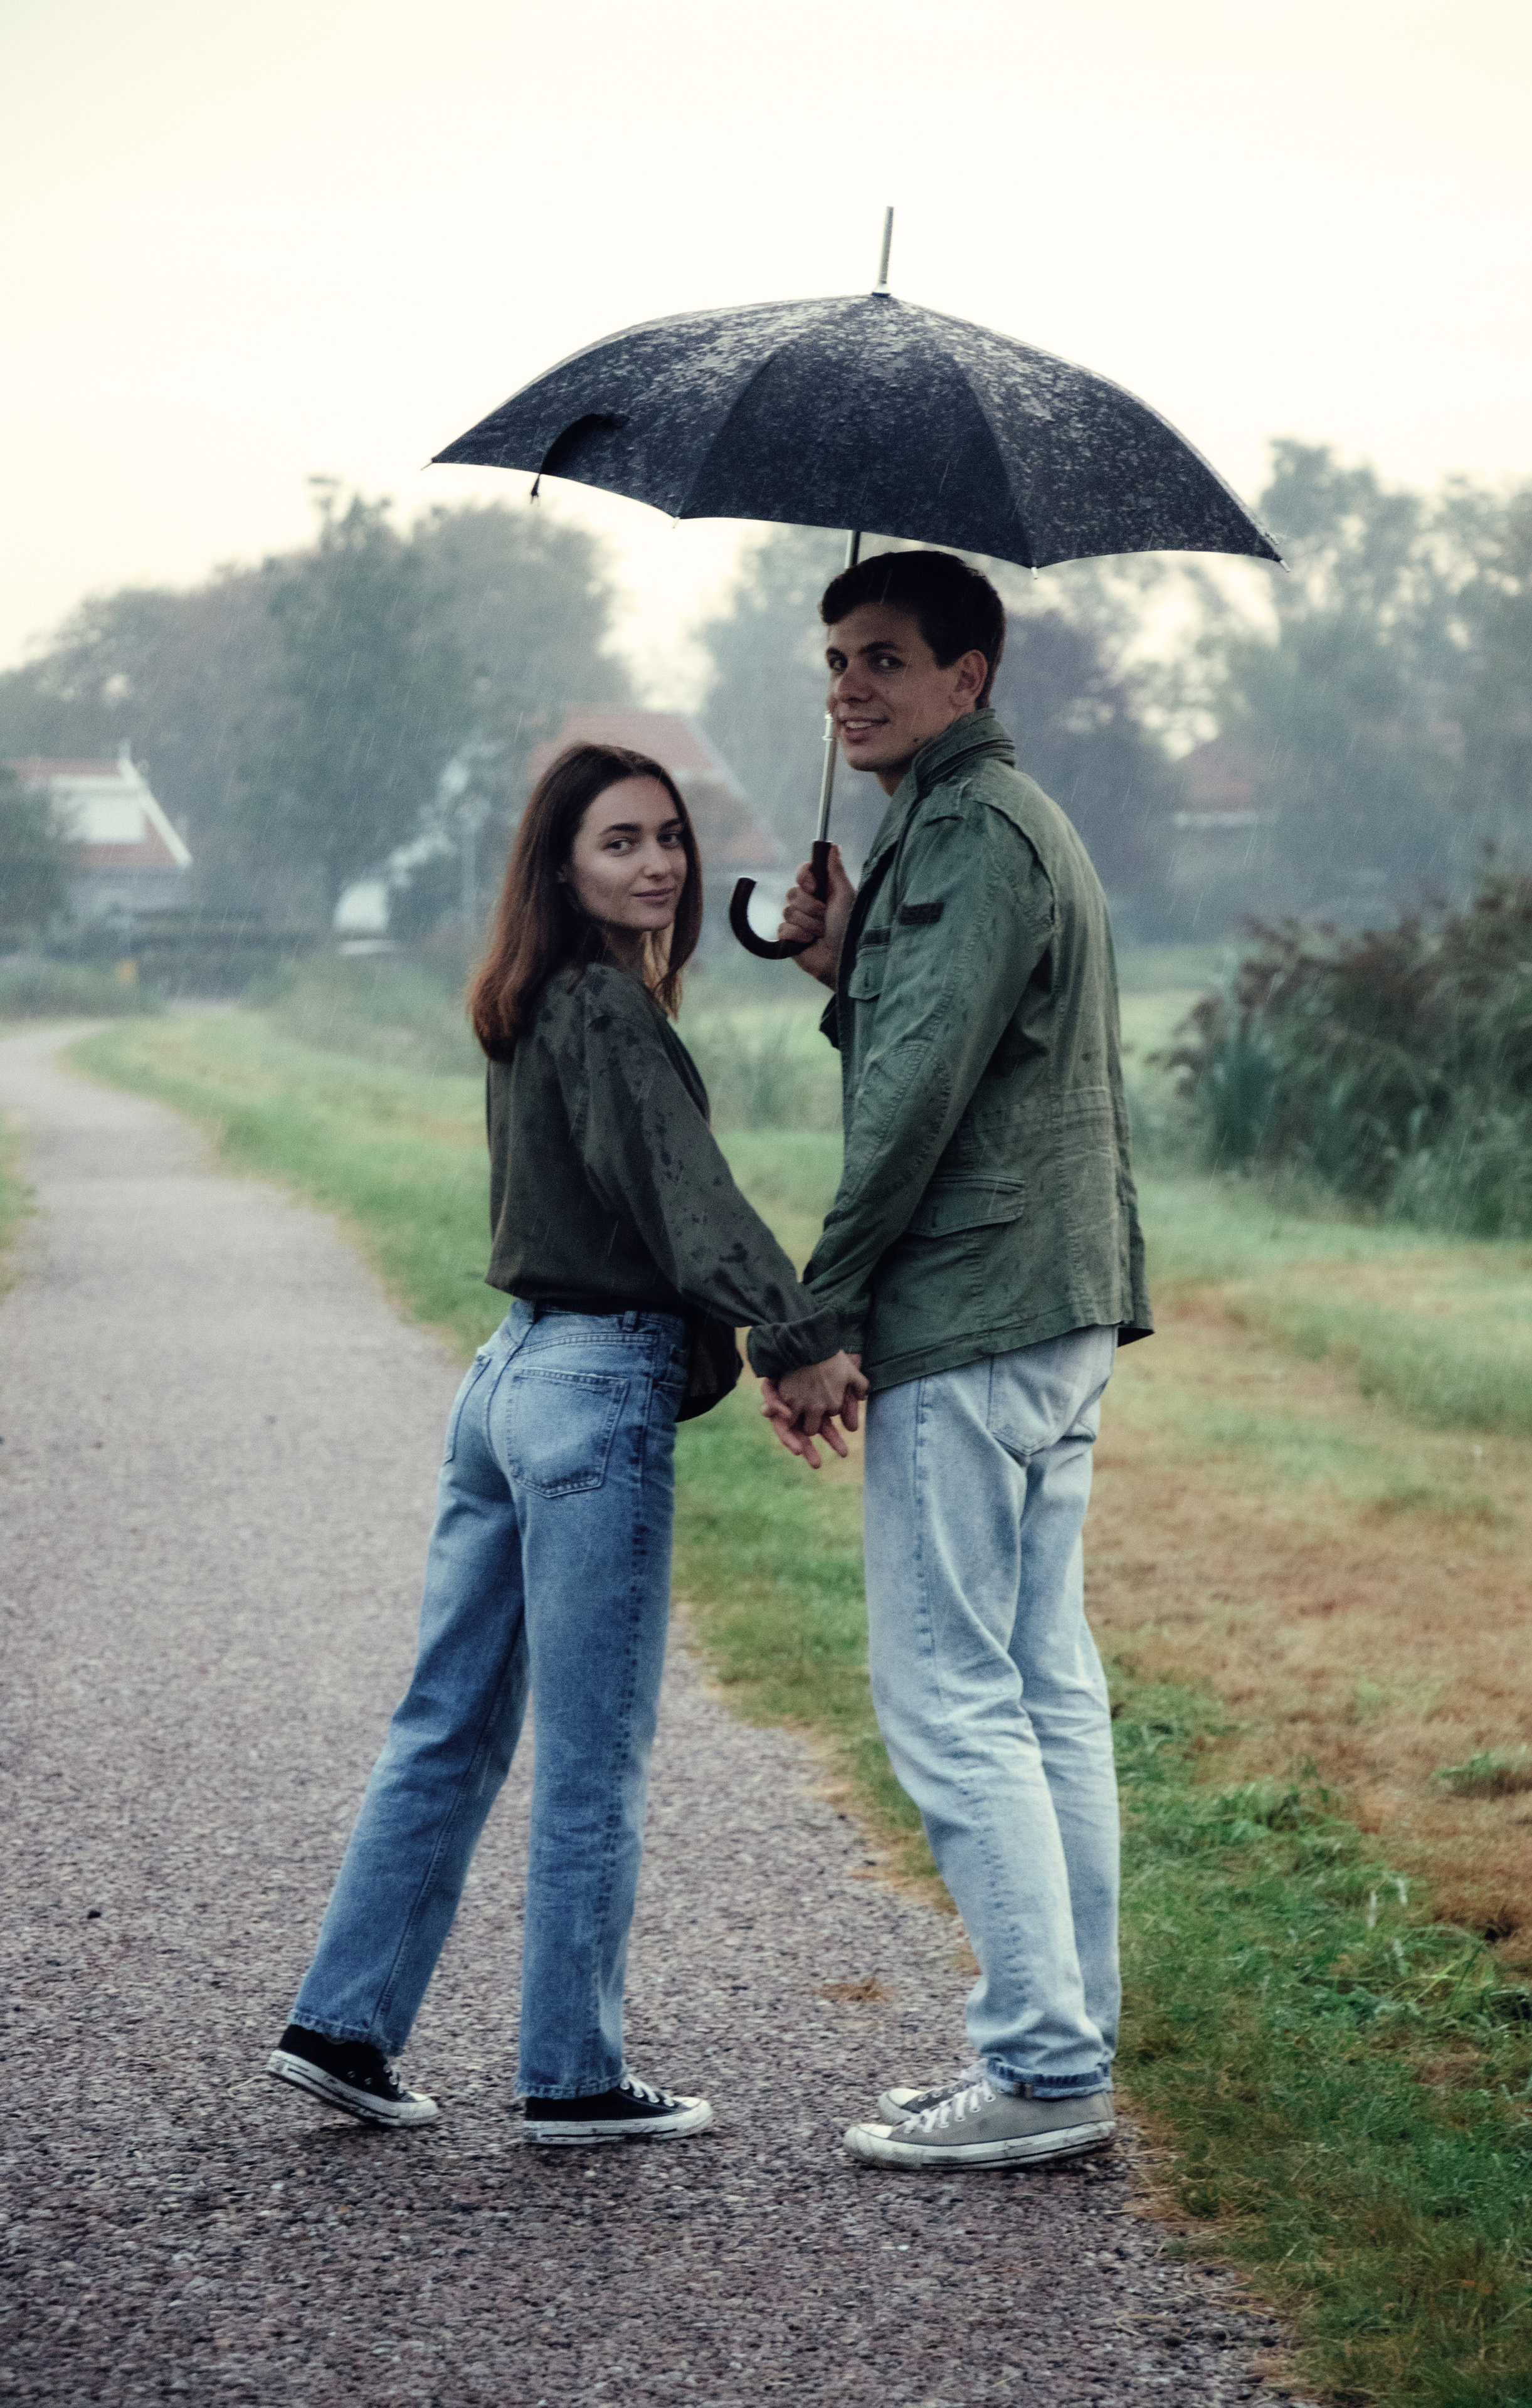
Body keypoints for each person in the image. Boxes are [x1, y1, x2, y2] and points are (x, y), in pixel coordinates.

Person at [269, 741, 865, 2144]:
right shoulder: (604, 1008)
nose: (656, 862)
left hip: (506, 1381)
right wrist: (793, 1340)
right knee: (591, 1749)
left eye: (667, 836)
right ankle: (573, 2075)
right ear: (559, 865)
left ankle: (343, 2026)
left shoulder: (531, 999)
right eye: (618, 843)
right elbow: (686, 1197)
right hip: (591, 1388)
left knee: (449, 1725)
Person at [751, 550, 1151, 2172]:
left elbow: (914, 1107)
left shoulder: (973, 834)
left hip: (980, 1311)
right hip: (1046, 1307)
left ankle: (1044, 2067)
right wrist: (844, 964)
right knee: (1042, 1687)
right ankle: (1065, 2046)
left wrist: (810, 1322)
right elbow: (953, 1042)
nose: (851, 686)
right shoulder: (963, 824)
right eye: (839, 659)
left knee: (952, 1693)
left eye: (888, 660)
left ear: (968, 678)